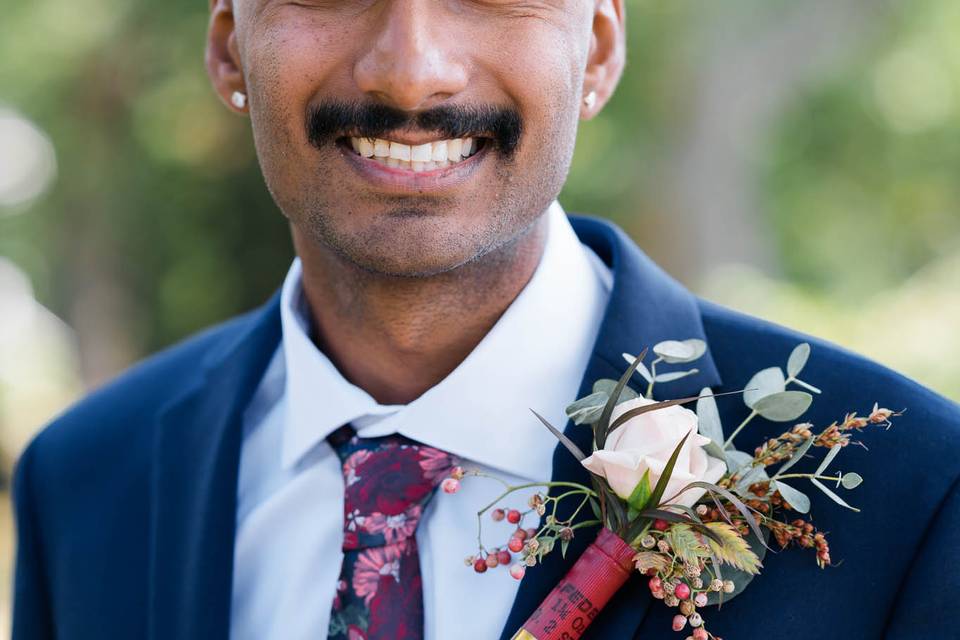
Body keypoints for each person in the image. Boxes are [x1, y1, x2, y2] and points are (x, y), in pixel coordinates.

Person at [12, 2, 959, 639]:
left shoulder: (912, 495)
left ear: (595, 48)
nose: (412, 72)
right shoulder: (84, 483)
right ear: (229, 51)